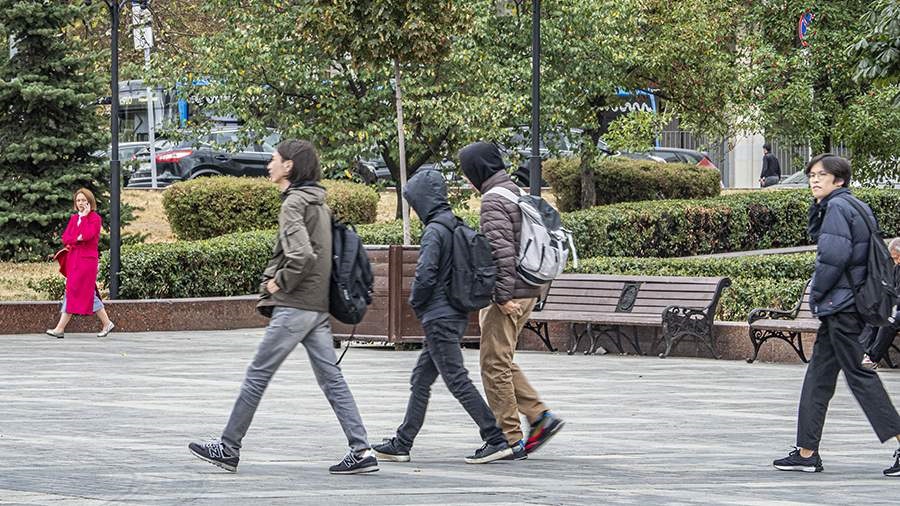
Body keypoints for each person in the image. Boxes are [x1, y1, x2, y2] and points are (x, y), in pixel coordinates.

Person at [188, 140, 378, 475]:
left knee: (257, 374)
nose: (269, 165)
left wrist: (280, 282)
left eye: (274, 159)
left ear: (289, 166)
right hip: (317, 306)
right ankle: (361, 450)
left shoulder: (293, 203)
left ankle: (229, 447)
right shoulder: (318, 201)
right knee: (332, 379)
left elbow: (302, 255)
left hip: (295, 305)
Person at [373, 169, 512, 465]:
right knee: (420, 379)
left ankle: (495, 438)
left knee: (456, 380)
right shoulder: (455, 224)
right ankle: (403, 441)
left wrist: (416, 302)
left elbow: (426, 274)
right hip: (455, 313)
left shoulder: (435, 231)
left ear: (423, 199)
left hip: (439, 317)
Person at [773, 154, 900, 477]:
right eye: (812, 175)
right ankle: (806, 452)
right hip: (846, 306)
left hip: (842, 307)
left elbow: (833, 257)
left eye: (822, 175)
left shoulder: (838, 209)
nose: (814, 180)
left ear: (839, 180)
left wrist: (817, 294)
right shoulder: (852, 205)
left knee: (860, 377)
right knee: (819, 377)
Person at [458, 141, 564, 460]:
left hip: (510, 294)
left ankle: (508, 437)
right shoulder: (514, 191)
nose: (466, 179)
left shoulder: (493, 200)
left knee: (493, 364)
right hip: (529, 289)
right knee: (501, 359)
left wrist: (501, 298)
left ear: (478, 170)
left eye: (467, 172)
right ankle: (540, 416)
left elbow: (500, 253)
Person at [45, 188, 114, 339]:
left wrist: (83, 220)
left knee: (78, 290)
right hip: (74, 259)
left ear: (90, 202)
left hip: (87, 261)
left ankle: (60, 328)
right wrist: (78, 233)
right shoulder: (74, 218)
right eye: (78, 200)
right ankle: (106, 323)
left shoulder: (94, 218)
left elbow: (87, 236)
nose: (81, 203)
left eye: (84, 200)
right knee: (76, 290)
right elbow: (66, 238)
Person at [861, 237, 900, 369]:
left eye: (896, 257)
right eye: (894, 258)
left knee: (891, 318)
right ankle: (864, 353)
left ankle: (873, 358)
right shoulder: (897, 268)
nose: (895, 261)